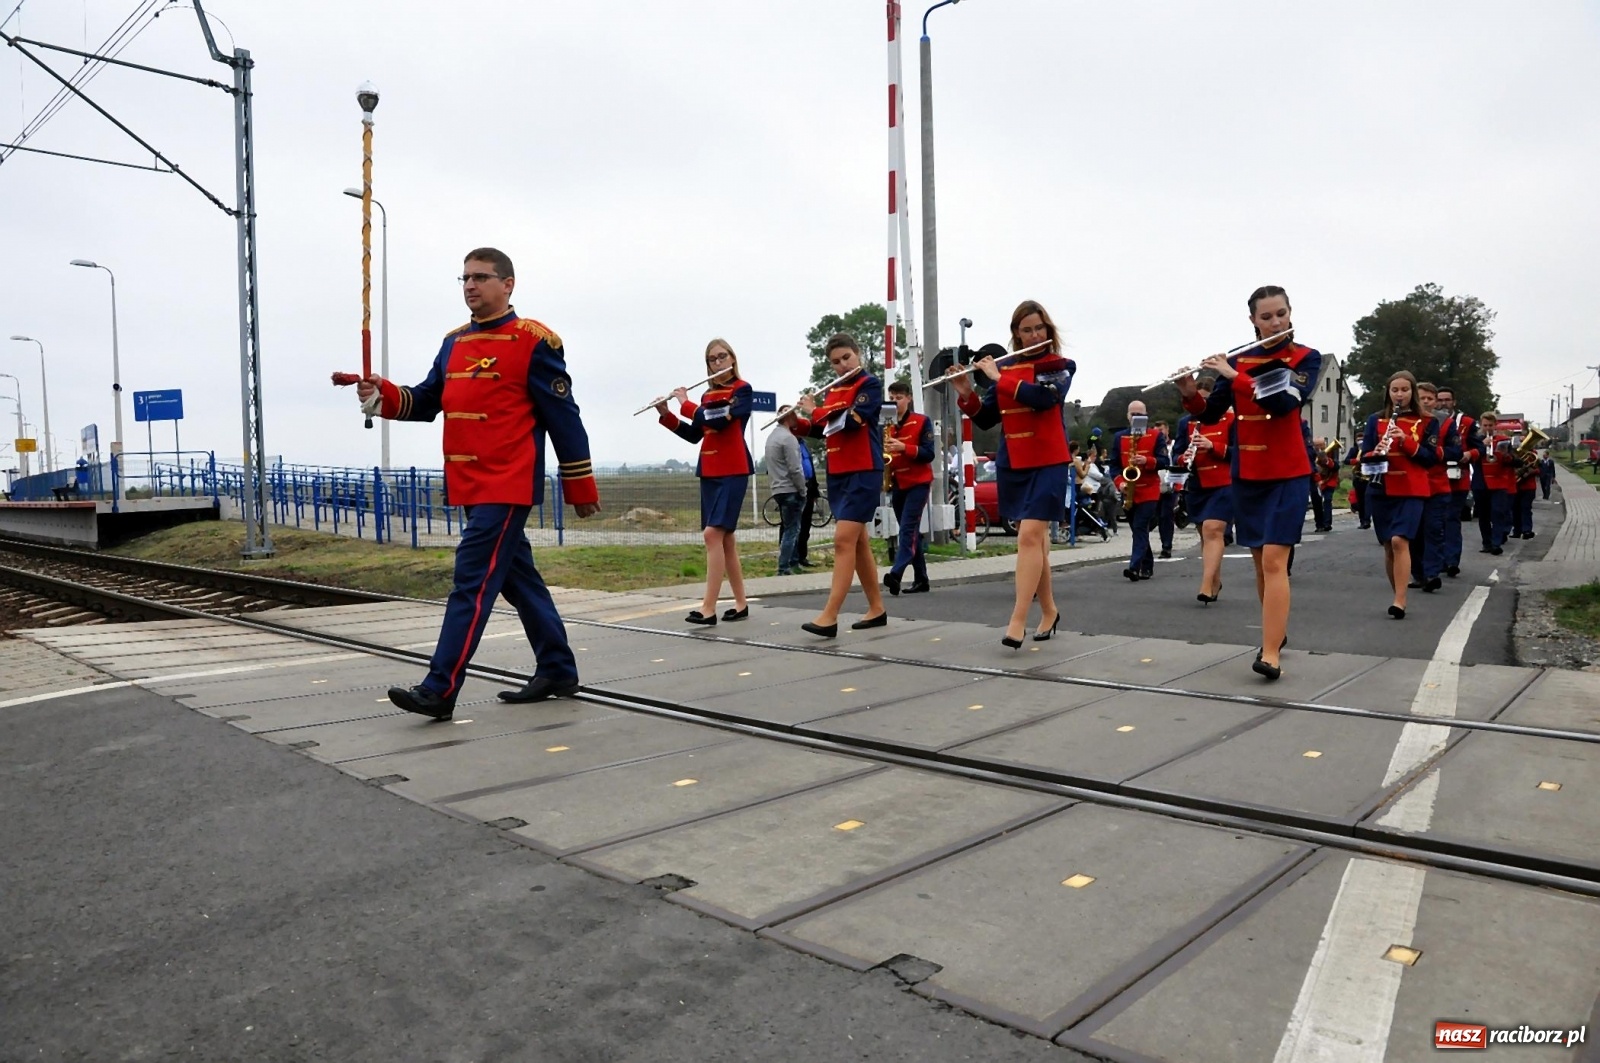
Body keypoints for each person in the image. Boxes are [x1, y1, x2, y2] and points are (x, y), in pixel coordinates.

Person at [356, 247, 600, 718]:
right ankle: (558, 667)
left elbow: (563, 417)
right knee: (517, 579)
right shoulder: (453, 342)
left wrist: (579, 484)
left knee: (471, 582)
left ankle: (440, 688)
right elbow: (426, 401)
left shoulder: (535, 341)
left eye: (481, 277)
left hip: (508, 483)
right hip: (469, 481)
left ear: (508, 284)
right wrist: (381, 394)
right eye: (464, 278)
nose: (470, 285)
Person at [1176, 285, 1320, 680]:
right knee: (1260, 563)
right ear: (1253, 320)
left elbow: (1284, 401)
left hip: (1288, 472)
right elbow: (1211, 414)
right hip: (1249, 473)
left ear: (1290, 314)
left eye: (1281, 314)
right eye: (1266, 316)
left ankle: (1269, 650)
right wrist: (1190, 393)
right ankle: (1277, 633)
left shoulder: (1306, 357)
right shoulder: (1239, 358)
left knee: (1275, 560)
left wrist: (1233, 374)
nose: (1275, 322)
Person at [947, 300, 1075, 647]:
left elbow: (1045, 399)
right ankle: (1049, 610)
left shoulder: (1060, 365)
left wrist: (1000, 379)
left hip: (1048, 459)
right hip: (1013, 463)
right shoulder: (1006, 367)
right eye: (1027, 330)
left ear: (1047, 330)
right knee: (1036, 543)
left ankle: (1017, 619)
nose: (1034, 335)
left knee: (1030, 537)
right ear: (1016, 335)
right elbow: (987, 417)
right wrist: (966, 393)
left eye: (1039, 328)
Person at [794, 333, 888, 636]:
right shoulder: (834, 390)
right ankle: (876, 608)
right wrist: (799, 423)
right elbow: (826, 429)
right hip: (839, 472)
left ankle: (830, 615)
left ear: (857, 354)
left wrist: (815, 411)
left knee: (842, 541)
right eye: (835, 362)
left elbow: (852, 420)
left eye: (846, 358)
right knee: (858, 543)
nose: (841, 365)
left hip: (863, 470)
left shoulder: (869, 385)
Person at [656, 339, 753, 624]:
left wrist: (685, 403)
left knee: (712, 535)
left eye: (722, 356)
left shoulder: (742, 390)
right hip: (709, 470)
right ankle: (740, 603)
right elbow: (696, 434)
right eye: (712, 359)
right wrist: (667, 415)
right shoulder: (708, 395)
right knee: (726, 541)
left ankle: (708, 608)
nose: (718, 362)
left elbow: (720, 420)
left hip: (733, 469)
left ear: (732, 358)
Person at [1360, 371, 1439, 619]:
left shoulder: (1428, 421)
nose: (1399, 394)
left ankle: (1400, 600)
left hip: (1411, 488)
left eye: (1405, 390)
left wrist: (1405, 441)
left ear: (1412, 392)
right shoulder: (1376, 420)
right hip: (1381, 488)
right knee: (1388, 545)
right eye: (1395, 390)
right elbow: (1364, 457)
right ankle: (1398, 593)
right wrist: (1376, 452)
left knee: (1399, 540)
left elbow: (1429, 458)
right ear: (1388, 393)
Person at [1174, 376, 1234, 604]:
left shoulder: (1230, 419)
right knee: (1205, 534)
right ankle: (1215, 580)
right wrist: (1183, 457)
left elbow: (1240, 452)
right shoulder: (1186, 423)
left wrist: (1214, 447)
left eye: (1206, 401)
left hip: (1224, 483)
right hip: (1198, 485)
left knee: (1213, 529)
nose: (1202, 408)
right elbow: (1176, 454)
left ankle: (1206, 584)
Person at [883, 378, 935, 595]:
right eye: (892, 398)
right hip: (897, 483)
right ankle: (922, 579)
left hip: (918, 482)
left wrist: (905, 447)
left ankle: (896, 573)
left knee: (907, 529)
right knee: (911, 531)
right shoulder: (887, 425)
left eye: (899, 398)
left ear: (909, 398)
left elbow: (928, 454)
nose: (895, 402)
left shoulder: (922, 421)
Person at [1111, 400, 1169, 580]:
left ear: (1146, 416)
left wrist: (1147, 461)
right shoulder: (1119, 437)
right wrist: (1120, 483)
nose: (1136, 417)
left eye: (1140, 414)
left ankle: (1134, 567)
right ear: (1128, 416)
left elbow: (1165, 461)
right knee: (1139, 530)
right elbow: (1113, 466)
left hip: (1149, 489)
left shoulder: (1155, 435)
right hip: (1129, 490)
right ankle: (1147, 565)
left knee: (1139, 526)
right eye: (1133, 414)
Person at [1407, 382, 1454, 593]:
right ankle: (1418, 574)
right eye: (1422, 397)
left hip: (1437, 484)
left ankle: (1432, 573)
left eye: (1430, 398)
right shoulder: (1405, 419)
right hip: (1412, 485)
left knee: (1433, 530)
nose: (1425, 401)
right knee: (1414, 533)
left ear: (1435, 401)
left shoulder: (1445, 422)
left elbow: (1455, 450)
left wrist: (1435, 453)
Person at [1434, 384, 1475, 576]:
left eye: (1447, 400)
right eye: (1440, 400)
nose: (1443, 403)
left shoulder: (1466, 422)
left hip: (1458, 478)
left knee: (1452, 519)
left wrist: (1470, 453)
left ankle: (1451, 561)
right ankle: (1438, 559)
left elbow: (1479, 448)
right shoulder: (1429, 421)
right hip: (1436, 477)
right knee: (1437, 521)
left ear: (1454, 402)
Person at [765, 406, 808, 575]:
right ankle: (784, 566)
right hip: (790, 488)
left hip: (777, 488)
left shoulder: (771, 438)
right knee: (792, 529)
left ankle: (789, 563)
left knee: (788, 527)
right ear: (789, 418)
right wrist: (803, 489)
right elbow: (795, 468)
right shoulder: (789, 439)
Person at [1476, 411, 1516, 554]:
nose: (1487, 428)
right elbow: (1471, 458)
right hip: (1481, 482)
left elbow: (1513, 461)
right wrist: (1481, 446)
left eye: (1490, 425)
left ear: (1495, 425)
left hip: (1499, 482)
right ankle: (1486, 543)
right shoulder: (1475, 440)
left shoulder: (1503, 440)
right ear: (1481, 425)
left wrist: (1506, 455)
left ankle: (1496, 543)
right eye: (1485, 425)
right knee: (1483, 515)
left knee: (1498, 512)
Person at [792, 427, 819, 568]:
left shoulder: (804, 444)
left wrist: (815, 491)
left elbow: (811, 469)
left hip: (809, 487)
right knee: (793, 524)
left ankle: (802, 556)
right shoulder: (789, 443)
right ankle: (792, 558)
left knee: (806, 524)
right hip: (795, 488)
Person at [1153, 421, 1177, 558]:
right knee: (1157, 516)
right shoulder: (1154, 446)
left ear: (1167, 430)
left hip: (1170, 485)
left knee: (1166, 516)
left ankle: (1166, 547)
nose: (1160, 433)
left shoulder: (1173, 446)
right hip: (1156, 485)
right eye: (1157, 431)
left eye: (1161, 430)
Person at [1312, 436, 1340, 532]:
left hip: (1329, 481)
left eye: (1321, 445)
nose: (1320, 447)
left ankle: (1327, 524)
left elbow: (1336, 466)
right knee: (1317, 503)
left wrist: (1327, 461)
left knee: (1327, 500)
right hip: (1316, 481)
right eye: (1317, 445)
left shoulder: (1332, 452)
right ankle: (1319, 524)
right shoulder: (1311, 453)